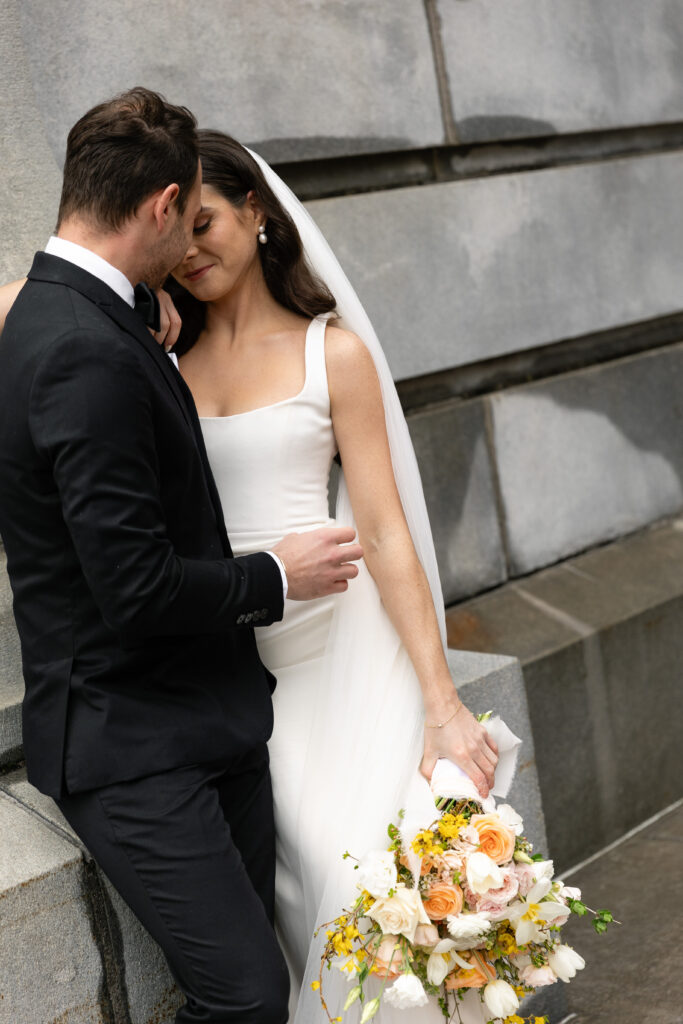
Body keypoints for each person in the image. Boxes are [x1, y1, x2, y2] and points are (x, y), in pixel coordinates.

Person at [0, 89, 364, 1024]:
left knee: (253, 988)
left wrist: (141, 303)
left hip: (208, 722)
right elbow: (134, 588)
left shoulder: (82, 314)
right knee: (244, 998)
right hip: (132, 746)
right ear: (161, 204)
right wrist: (280, 576)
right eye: (189, 214)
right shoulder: (81, 346)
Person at [163, 131, 499, 1024]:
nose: (190, 250)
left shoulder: (330, 352)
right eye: (174, 234)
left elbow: (385, 531)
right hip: (234, 674)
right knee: (294, 902)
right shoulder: (157, 363)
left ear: (257, 213)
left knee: (363, 902)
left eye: (206, 224)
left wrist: (442, 699)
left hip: (345, 661)